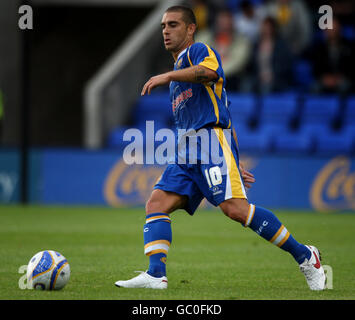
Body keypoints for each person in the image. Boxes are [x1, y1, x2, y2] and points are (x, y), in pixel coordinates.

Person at [115, 5, 326, 291]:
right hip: (187, 150)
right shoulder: (180, 72)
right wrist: (234, 160)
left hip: (210, 145)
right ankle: (156, 274)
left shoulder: (198, 51)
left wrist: (167, 77)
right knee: (156, 203)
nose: (166, 30)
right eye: (163, 26)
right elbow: (223, 108)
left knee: (236, 210)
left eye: (173, 25)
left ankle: (305, 256)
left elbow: (209, 73)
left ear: (191, 29)